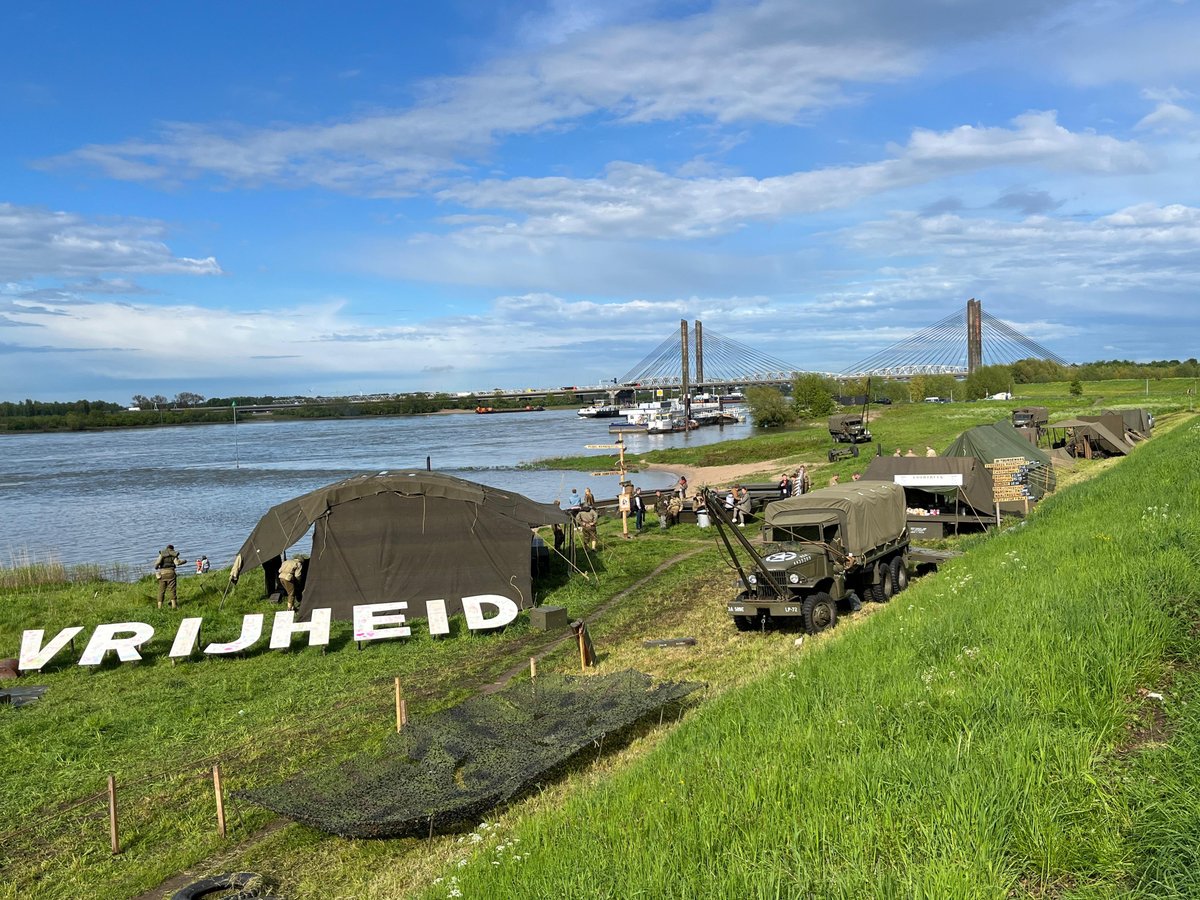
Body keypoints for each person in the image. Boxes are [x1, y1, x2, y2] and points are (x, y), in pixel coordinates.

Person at [154, 544, 187, 609]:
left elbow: (157, 563)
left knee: (161, 591)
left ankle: (159, 607)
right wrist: (184, 561)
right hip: (171, 573)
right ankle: (174, 606)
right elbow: (177, 563)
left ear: (166, 548)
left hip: (162, 574)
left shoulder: (162, 554)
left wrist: (156, 567)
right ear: (172, 549)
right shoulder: (174, 554)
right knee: (172, 590)